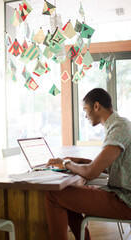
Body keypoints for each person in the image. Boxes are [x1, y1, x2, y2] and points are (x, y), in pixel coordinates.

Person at [45, 88, 131, 240]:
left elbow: (92, 172)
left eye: (85, 109)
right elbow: (105, 166)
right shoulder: (118, 124)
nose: (85, 115)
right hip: (121, 194)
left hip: (125, 200)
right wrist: (79, 162)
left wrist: (66, 163)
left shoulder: (119, 127)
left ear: (96, 106)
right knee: (68, 193)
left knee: (54, 195)